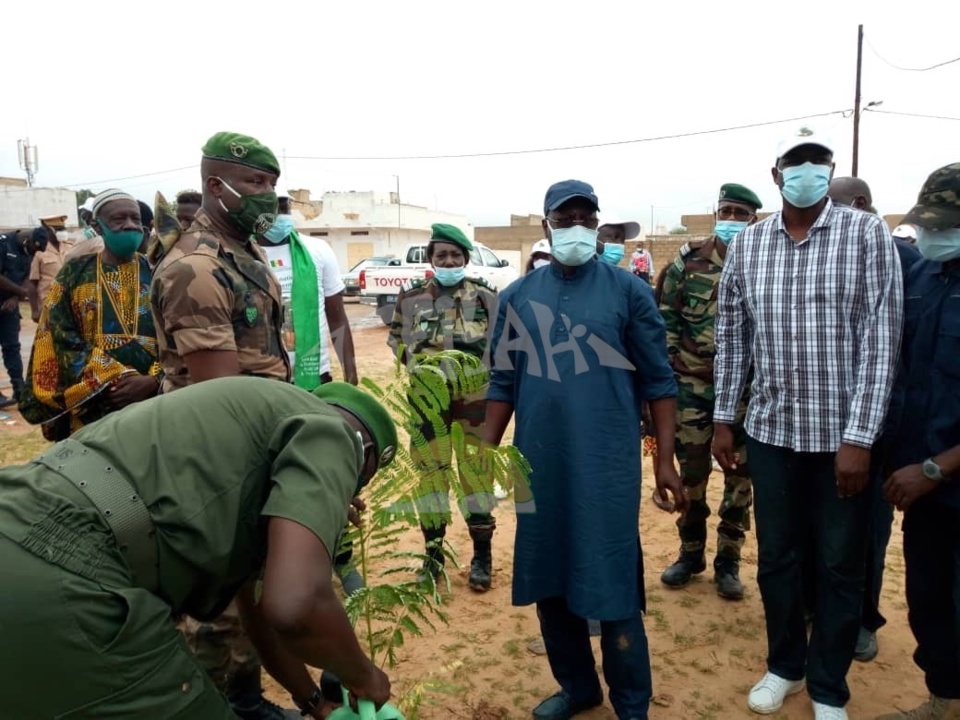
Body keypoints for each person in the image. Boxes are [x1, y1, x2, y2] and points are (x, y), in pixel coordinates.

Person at [0, 376, 397, 720]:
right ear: (362, 454)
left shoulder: (250, 420)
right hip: (64, 576)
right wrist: (364, 675)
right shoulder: (333, 432)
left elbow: (258, 611)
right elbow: (296, 605)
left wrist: (312, 701)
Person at [713, 127, 903, 720]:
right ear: (777, 176)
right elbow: (733, 336)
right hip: (771, 433)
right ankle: (785, 666)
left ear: (829, 171)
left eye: (818, 163)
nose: (807, 172)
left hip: (840, 439)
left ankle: (828, 687)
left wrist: (860, 437)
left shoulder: (866, 233)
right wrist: (724, 417)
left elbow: (882, 338)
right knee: (777, 559)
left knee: (841, 562)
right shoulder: (749, 244)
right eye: (794, 164)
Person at [484, 179, 686, 720]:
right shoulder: (518, 298)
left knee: (611, 579)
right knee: (550, 579)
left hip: (605, 465)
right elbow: (502, 384)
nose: (576, 226)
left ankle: (631, 703)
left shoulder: (628, 292)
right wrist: (482, 455)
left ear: (597, 225)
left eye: (585, 217)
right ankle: (578, 688)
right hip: (539, 462)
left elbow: (660, 382)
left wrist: (664, 461)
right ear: (547, 223)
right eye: (565, 217)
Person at [150, 131, 295, 720]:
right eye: (257, 184)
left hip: (253, 442)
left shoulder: (245, 252)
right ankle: (200, 707)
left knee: (250, 596)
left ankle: (245, 700)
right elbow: (220, 401)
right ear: (216, 185)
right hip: (218, 459)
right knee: (216, 608)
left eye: (272, 184)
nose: (268, 196)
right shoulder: (196, 269)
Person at [821, 177, 923, 662]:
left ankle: (864, 618)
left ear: (860, 206)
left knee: (865, 530)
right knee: (817, 527)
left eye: (834, 206)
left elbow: (906, 357)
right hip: (818, 420)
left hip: (879, 426)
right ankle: (817, 607)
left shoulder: (908, 266)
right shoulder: (822, 255)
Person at [876, 163, 960, 720]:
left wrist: (934, 468)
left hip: (941, 476)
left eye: (944, 222)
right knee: (930, 603)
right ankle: (944, 702)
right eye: (927, 222)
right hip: (926, 491)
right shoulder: (925, 276)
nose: (931, 233)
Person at [658, 183, 761, 600]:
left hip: (747, 393)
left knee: (740, 480)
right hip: (693, 389)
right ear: (716, 212)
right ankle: (690, 553)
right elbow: (666, 323)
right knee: (692, 475)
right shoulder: (687, 263)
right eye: (727, 211)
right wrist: (664, 387)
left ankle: (728, 562)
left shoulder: (764, 259)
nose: (732, 219)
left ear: (755, 218)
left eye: (741, 213)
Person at [258, 189, 361, 595]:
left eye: (284, 207)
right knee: (268, 472)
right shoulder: (241, 255)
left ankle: (343, 559)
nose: (280, 215)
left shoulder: (318, 252)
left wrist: (349, 369)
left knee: (326, 469)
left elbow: (336, 315)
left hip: (313, 378)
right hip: (264, 382)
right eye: (272, 209)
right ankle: (276, 564)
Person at [388, 223, 499, 591]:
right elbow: (396, 340)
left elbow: (502, 344)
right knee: (431, 479)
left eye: (455, 255)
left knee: (475, 476)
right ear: (431, 258)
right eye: (441, 255)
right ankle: (432, 555)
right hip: (427, 404)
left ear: (465, 258)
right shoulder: (411, 297)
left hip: (474, 403)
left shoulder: (486, 297)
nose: (448, 260)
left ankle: (482, 556)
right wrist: (419, 370)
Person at [19, 189, 162, 441]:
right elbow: (59, 335)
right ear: (97, 225)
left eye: (135, 219)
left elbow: (179, 334)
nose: (130, 225)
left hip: (155, 402)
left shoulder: (159, 271)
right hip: (93, 404)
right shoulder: (74, 272)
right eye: (119, 219)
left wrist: (154, 380)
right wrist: (114, 377)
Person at [0, 227, 45, 408]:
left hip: (8, 306)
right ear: (27, 240)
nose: (33, 254)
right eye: (33, 250)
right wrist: (20, 292)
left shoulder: (30, 249)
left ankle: (19, 391)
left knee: (12, 347)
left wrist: (15, 297)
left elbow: (27, 276)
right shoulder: (3, 243)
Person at [28, 215, 71, 321]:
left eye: (63, 229)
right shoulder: (39, 251)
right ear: (47, 231)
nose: (63, 232)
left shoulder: (71, 247)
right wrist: (35, 310)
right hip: (49, 304)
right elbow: (33, 283)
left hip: (71, 303)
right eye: (58, 229)